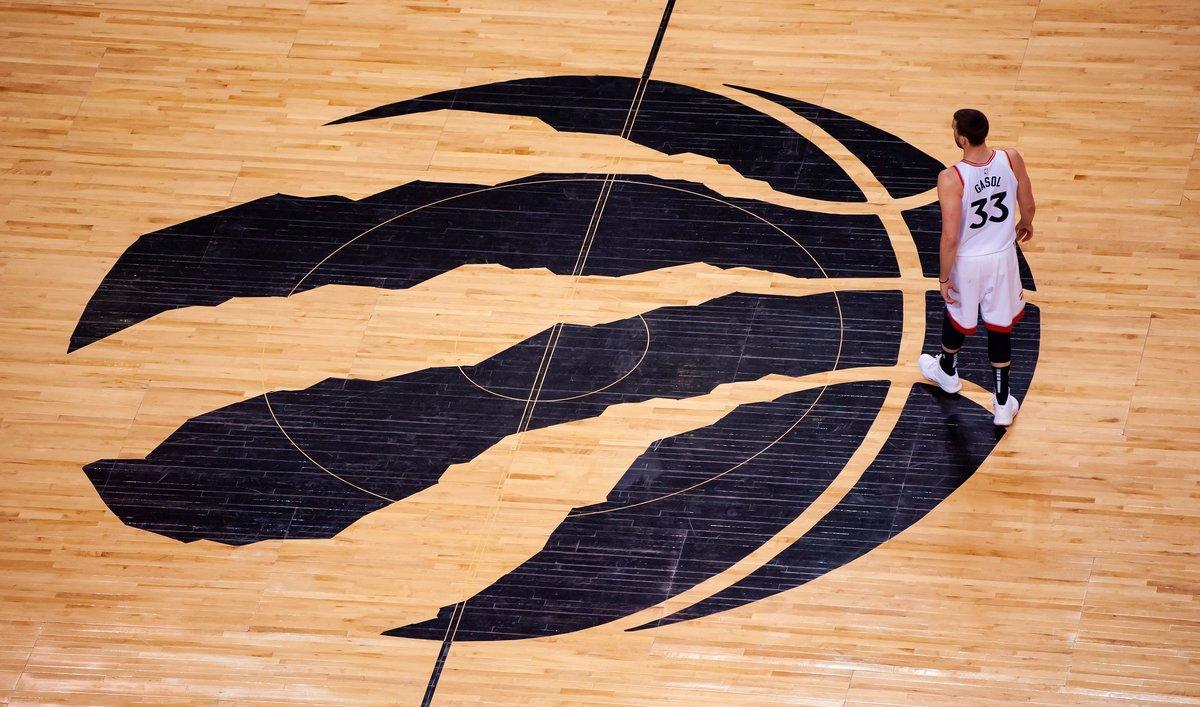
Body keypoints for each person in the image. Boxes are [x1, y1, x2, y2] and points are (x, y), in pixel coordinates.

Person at [918, 108, 1035, 426]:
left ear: (962, 138)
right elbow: (1027, 201)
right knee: (1000, 327)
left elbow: (951, 237)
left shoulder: (951, 177)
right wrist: (1027, 222)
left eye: (954, 128)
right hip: (1002, 257)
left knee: (957, 314)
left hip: (969, 262)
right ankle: (1001, 404)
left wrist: (943, 277)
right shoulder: (1011, 158)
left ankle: (947, 369)